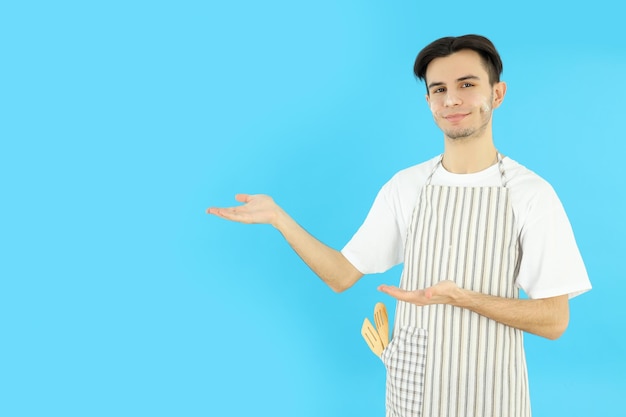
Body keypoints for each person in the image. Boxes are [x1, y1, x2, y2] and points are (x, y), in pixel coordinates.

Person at [207, 34, 591, 417]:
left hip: (493, 398)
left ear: (497, 93)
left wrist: (463, 298)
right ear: (429, 103)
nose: (452, 99)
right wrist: (280, 219)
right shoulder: (406, 187)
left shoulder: (531, 194)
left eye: (467, 85)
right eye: (439, 89)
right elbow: (341, 275)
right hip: (414, 395)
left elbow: (554, 320)